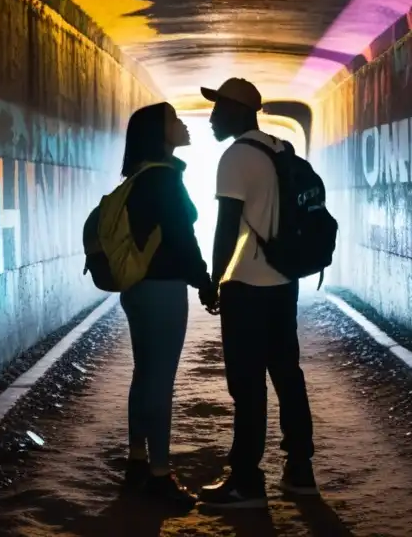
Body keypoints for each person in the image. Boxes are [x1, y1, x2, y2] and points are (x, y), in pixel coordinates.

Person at [196, 78, 317, 508]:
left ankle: (246, 480)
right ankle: (300, 470)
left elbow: (226, 225)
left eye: (218, 109)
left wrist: (213, 279)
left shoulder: (235, 157)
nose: (212, 117)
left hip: (246, 286)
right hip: (284, 283)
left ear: (238, 112)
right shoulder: (279, 149)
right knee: (287, 373)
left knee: (246, 384)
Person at [118, 102, 211, 507]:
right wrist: (204, 280)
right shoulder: (164, 180)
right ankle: (159, 475)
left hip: (138, 288)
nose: (182, 124)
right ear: (160, 133)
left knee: (144, 372)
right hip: (163, 288)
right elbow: (181, 237)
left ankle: (137, 460)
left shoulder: (140, 176)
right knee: (161, 379)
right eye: (174, 120)